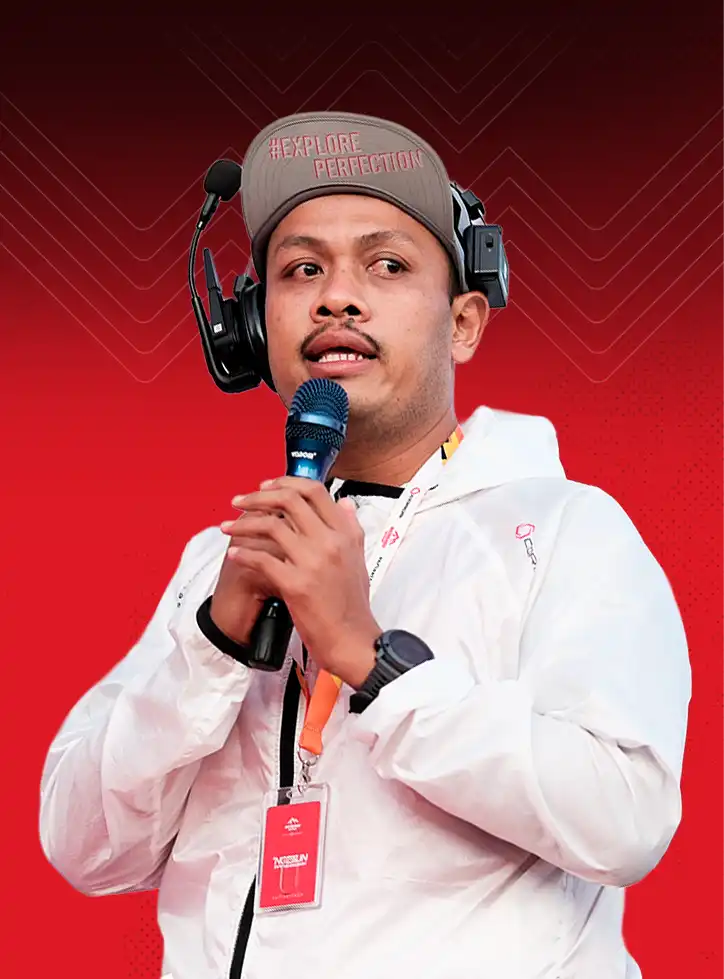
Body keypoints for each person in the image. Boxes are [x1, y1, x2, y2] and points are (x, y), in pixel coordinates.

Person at [39, 111, 691, 979]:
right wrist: (213, 646)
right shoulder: (217, 564)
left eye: (387, 265)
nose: (336, 297)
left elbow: (625, 819)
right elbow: (82, 845)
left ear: (464, 323)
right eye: (302, 269)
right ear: (252, 328)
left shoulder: (566, 531)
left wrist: (372, 659)